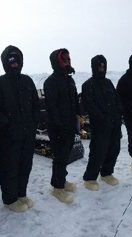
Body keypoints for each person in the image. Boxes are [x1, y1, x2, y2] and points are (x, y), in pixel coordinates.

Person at [0, 45, 40, 213]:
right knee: (10, 168)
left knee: (25, 166)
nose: (15, 64)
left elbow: (36, 106)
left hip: (27, 134)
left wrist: (34, 123)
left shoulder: (27, 81)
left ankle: (21, 194)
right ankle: (10, 199)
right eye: (11, 60)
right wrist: (7, 125)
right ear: (5, 62)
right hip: (9, 136)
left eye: (17, 60)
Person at [80, 55, 123, 191]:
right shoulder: (88, 85)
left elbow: (117, 100)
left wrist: (118, 114)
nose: (102, 69)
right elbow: (90, 106)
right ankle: (90, 178)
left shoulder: (108, 83)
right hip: (100, 126)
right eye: (99, 66)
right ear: (94, 67)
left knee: (114, 149)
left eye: (103, 66)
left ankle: (106, 173)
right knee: (98, 152)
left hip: (114, 124)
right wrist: (104, 119)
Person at [43, 48, 79, 203]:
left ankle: (62, 180)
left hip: (70, 124)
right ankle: (57, 187)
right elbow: (52, 107)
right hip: (58, 127)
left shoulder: (69, 79)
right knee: (59, 156)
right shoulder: (51, 82)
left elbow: (73, 102)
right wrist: (60, 126)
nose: (67, 63)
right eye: (63, 60)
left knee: (66, 154)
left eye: (68, 60)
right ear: (56, 62)